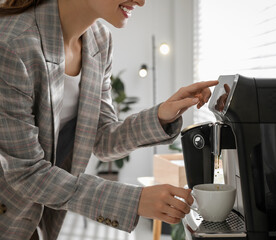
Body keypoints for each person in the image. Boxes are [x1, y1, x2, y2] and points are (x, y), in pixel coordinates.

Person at [0, 0, 218, 239]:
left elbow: (102, 138)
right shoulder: (11, 44)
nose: (142, 1)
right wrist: (133, 201)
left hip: (37, 220)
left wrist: (162, 115)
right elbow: (26, 173)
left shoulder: (100, 41)